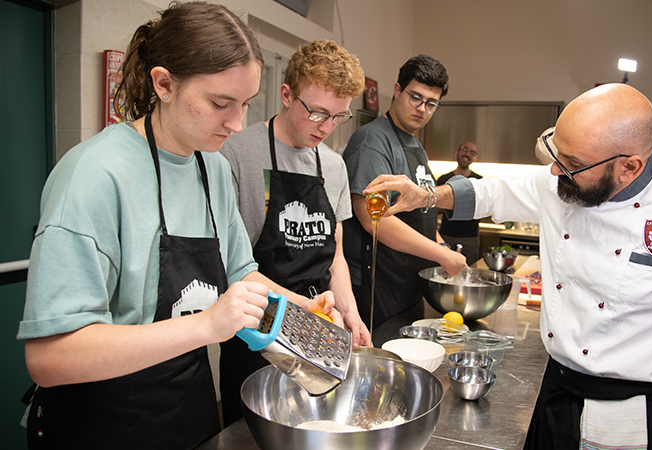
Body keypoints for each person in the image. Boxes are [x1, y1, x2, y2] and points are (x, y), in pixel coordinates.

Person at [364, 83, 652, 450]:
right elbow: (492, 192)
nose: (554, 171)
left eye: (571, 163)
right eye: (557, 154)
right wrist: (423, 196)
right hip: (556, 391)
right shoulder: (562, 178)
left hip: (637, 415)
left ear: (628, 166)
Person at [16, 3, 341, 449]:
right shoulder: (94, 175)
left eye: (245, 104)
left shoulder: (210, 167)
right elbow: (50, 357)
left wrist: (303, 308)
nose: (237, 123)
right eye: (220, 103)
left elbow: (241, 274)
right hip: (100, 425)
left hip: (187, 412)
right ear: (164, 84)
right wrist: (208, 325)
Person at [218, 39, 371, 425]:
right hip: (258, 330)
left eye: (338, 116)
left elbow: (333, 252)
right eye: (318, 113)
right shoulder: (237, 151)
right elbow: (228, 261)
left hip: (320, 326)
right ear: (286, 95)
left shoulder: (334, 166)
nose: (327, 127)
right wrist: (298, 310)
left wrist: (350, 313)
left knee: (316, 426)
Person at [341, 55, 467, 347]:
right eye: (415, 98)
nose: (422, 109)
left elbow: (420, 213)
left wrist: (441, 245)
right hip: (377, 287)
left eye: (431, 103)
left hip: (406, 284)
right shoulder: (373, 141)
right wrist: (442, 256)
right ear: (397, 90)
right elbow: (374, 219)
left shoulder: (416, 146)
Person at [436, 141, 482, 265]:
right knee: (442, 272)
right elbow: (434, 209)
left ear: (475, 158)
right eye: (465, 149)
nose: (467, 154)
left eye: (472, 152)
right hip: (445, 236)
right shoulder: (443, 179)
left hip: (470, 238)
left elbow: (483, 209)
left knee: (468, 273)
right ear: (457, 153)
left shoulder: (479, 181)